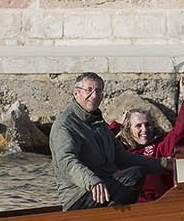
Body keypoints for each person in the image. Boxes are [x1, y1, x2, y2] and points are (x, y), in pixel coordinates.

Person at [51, 72, 167, 210]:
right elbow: (67, 162)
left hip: (104, 187)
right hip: (79, 197)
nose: (94, 95)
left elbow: (123, 158)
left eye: (98, 91)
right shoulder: (65, 125)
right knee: (134, 175)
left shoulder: (98, 122)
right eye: (89, 90)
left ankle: (113, 218)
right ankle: (110, 220)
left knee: (135, 173)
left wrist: (164, 164)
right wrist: (93, 182)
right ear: (76, 93)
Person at [110, 70, 184, 202]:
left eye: (148, 125)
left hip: (160, 204)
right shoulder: (120, 150)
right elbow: (96, 143)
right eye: (138, 126)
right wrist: (116, 125)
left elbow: (181, 133)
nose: (144, 129)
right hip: (131, 206)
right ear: (128, 129)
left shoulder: (160, 146)